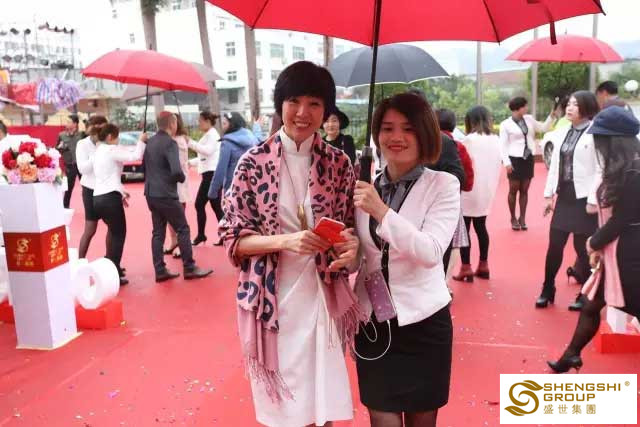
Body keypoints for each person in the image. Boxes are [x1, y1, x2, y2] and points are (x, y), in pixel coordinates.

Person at [217, 60, 363, 427]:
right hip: (273, 298)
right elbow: (233, 240)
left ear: (326, 111)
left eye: (314, 103)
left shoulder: (339, 164)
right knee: (284, 411)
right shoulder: (252, 164)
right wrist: (288, 240)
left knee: (322, 401)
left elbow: (349, 229)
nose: (302, 113)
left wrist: (350, 247)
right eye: (294, 101)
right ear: (280, 104)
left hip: (322, 294)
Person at [353, 93, 459, 427]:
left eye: (408, 128)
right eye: (387, 128)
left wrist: (381, 211)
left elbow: (430, 252)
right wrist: (346, 248)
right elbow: (363, 255)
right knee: (380, 417)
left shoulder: (443, 185)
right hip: (372, 323)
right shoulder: (366, 187)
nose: (396, 137)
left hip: (424, 323)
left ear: (424, 133)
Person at [547, 106, 640, 373]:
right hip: (617, 252)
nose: (596, 144)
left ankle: (571, 355)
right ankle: (571, 355)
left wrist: (593, 242)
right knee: (591, 305)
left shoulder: (634, 172)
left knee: (630, 304)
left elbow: (622, 219)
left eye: (600, 139)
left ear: (614, 142)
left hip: (630, 254)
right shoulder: (623, 169)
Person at [536, 91, 601, 311]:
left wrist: (593, 199)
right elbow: (555, 166)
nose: (569, 108)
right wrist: (548, 195)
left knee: (583, 249)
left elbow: (600, 169)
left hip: (584, 199)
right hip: (564, 196)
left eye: (575, 104)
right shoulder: (563, 131)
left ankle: (586, 293)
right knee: (555, 245)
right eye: (569, 104)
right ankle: (547, 288)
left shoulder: (595, 133)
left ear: (587, 107)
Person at [144, 112, 213, 283]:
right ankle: (189, 267)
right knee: (183, 228)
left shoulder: (150, 142)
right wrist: (182, 178)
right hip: (167, 194)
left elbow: (144, 166)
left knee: (157, 233)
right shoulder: (170, 143)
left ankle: (160, 270)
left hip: (151, 193)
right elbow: (176, 171)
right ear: (172, 124)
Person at [452, 106, 502, 282]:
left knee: (465, 229)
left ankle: (466, 267)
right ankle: (483, 265)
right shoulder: (496, 139)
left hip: (469, 189)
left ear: (470, 121)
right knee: (481, 226)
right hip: (487, 189)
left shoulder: (468, 140)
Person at [92, 124, 145, 286]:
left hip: (98, 198)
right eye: (117, 137)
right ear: (109, 137)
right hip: (109, 198)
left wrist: (121, 191)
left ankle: (112, 265)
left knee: (113, 233)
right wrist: (141, 141)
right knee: (118, 234)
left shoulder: (98, 151)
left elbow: (109, 176)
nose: (118, 140)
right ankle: (113, 272)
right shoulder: (110, 150)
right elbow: (135, 156)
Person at [499, 97, 556, 231]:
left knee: (524, 190)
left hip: (528, 158)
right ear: (517, 108)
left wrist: (551, 116)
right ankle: (513, 218)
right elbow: (503, 145)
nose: (527, 108)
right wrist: (507, 163)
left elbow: (543, 128)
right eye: (524, 106)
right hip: (514, 159)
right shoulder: (505, 124)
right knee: (513, 190)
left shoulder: (529, 119)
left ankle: (522, 218)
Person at [207, 111, 257, 247]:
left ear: (232, 124)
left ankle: (233, 242)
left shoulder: (227, 142)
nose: (223, 126)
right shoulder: (252, 138)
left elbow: (221, 169)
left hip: (233, 187)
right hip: (253, 185)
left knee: (232, 218)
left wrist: (212, 191)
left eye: (224, 123)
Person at [76, 115, 109, 259]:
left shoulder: (108, 142)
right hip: (90, 189)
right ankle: (80, 260)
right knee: (90, 228)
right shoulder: (82, 144)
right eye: (100, 129)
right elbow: (83, 169)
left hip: (107, 188)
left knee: (113, 227)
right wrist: (97, 152)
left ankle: (111, 260)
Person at [188, 111, 223, 246]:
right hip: (210, 174)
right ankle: (225, 234)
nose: (199, 123)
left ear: (207, 121)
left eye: (200, 121)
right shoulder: (209, 135)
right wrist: (191, 162)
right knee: (216, 207)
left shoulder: (212, 135)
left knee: (199, 204)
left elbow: (207, 151)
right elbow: (206, 157)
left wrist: (190, 142)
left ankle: (202, 235)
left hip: (211, 175)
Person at [163, 114, 191, 258]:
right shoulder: (173, 140)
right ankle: (174, 241)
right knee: (170, 216)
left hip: (178, 183)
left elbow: (177, 164)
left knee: (179, 216)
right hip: (171, 183)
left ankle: (181, 244)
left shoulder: (178, 141)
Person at [57, 114, 84, 209]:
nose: (66, 124)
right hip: (70, 165)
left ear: (75, 124)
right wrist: (61, 148)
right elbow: (57, 148)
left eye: (69, 122)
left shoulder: (82, 135)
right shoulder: (61, 135)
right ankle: (65, 207)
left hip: (82, 164)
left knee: (86, 187)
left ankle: (90, 206)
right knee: (68, 188)